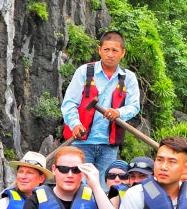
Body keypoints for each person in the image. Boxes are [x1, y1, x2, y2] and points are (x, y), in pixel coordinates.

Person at [60, 30, 140, 190]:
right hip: (82, 142)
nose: (110, 54)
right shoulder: (84, 72)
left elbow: (134, 106)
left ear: (122, 53)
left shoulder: (128, 77)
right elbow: (69, 103)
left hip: (108, 145)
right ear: (99, 50)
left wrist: (119, 113)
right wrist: (75, 124)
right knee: (80, 186)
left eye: (115, 50)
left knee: (106, 186)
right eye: (106, 49)